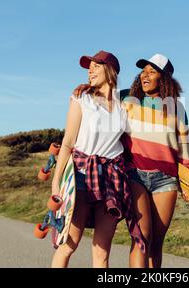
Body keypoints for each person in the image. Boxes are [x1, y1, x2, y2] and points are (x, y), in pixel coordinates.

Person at [74, 53, 189, 268]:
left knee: (157, 242)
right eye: (143, 71)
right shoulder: (127, 98)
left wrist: (187, 181)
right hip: (134, 174)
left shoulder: (178, 109)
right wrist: (89, 86)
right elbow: (104, 94)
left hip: (166, 179)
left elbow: (184, 150)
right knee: (141, 237)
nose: (144, 76)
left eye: (151, 72)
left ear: (163, 78)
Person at [50, 50, 146, 268]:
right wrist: (56, 183)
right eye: (89, 66)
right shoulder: (82, 98)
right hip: (81, 176)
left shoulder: (124, 107)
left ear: (110, 70)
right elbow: (68, 142)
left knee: (102, 251)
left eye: (96, 65)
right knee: (68, 244)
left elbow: (136, 140)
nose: (90, 70)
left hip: (112, 179)